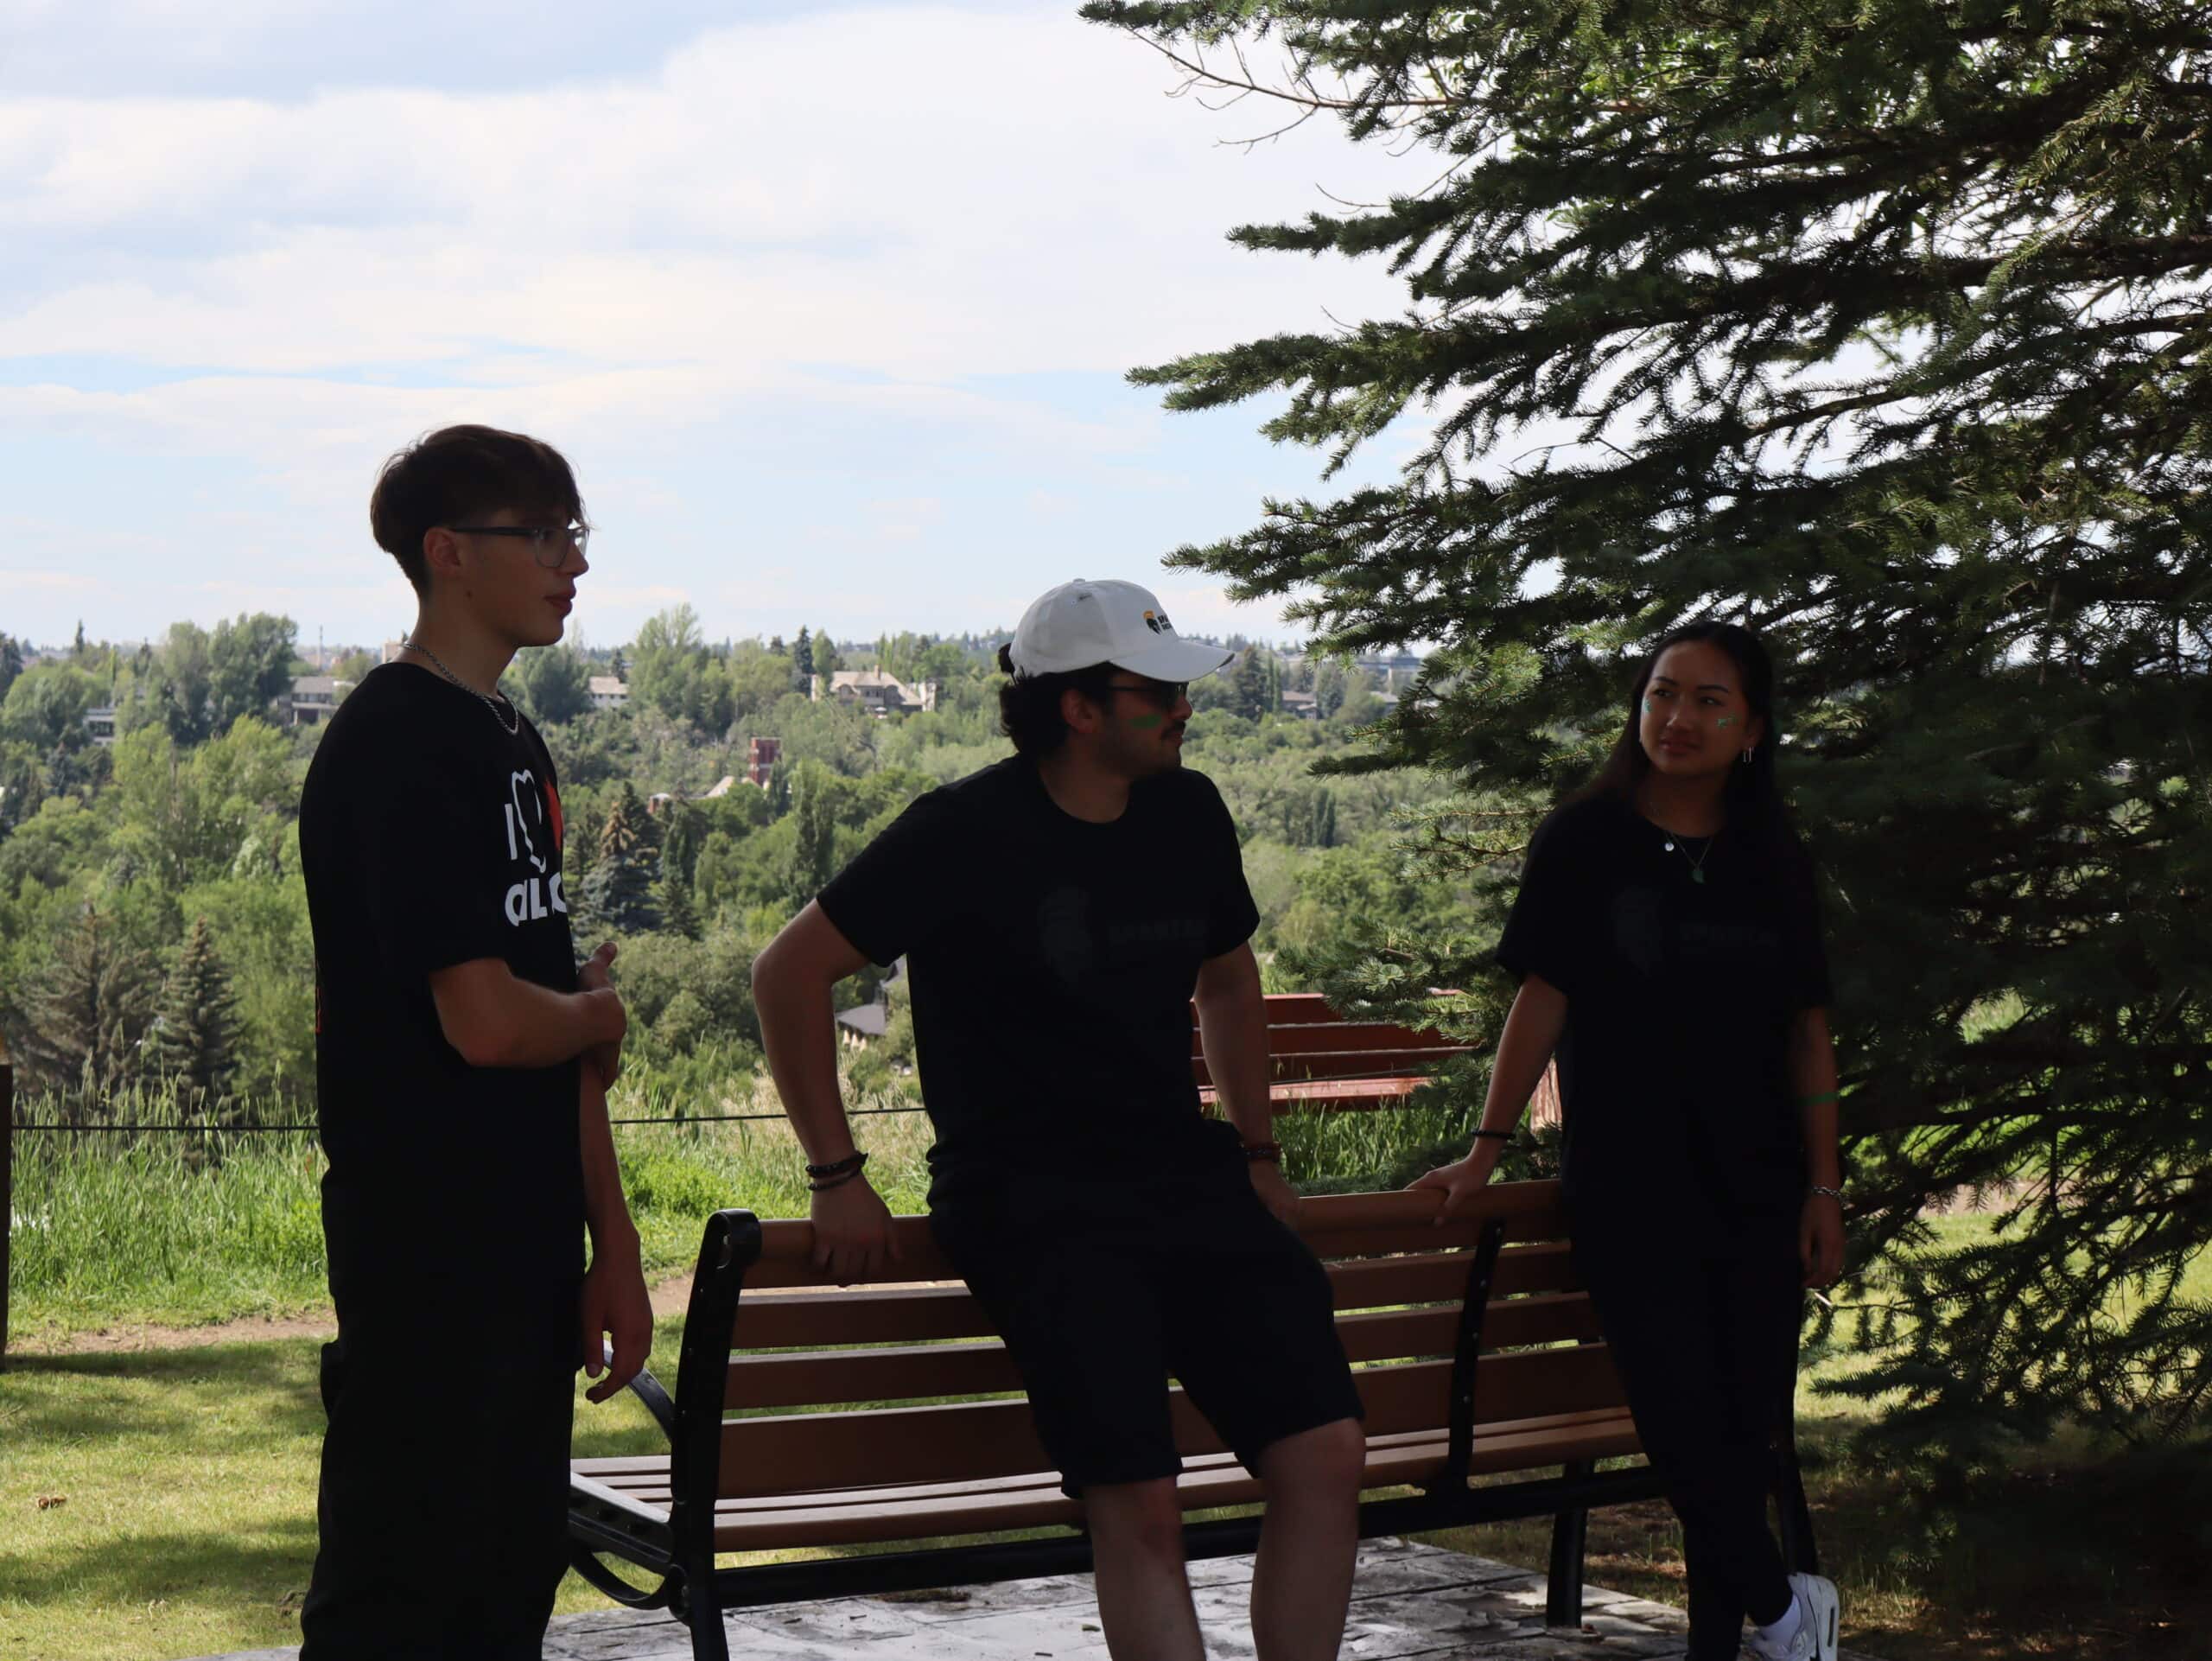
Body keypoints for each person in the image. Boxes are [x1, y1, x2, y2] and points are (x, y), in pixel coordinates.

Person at [751, 578, 1368, 1661]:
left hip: (1189, 1179)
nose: (1185, 708)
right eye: (1158, 691)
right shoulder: (960, 832)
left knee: (1323, 1454)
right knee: (1140, 1503)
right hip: (1036, 1203)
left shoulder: (1190, 810)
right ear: (1077, 708)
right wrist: (834, 1170)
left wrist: (1258, 1148)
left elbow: (1227, 980)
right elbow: (788, 973)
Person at [1413, 620, 1846, 1661]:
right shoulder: (1583, 841)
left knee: (1741, 1437)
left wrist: (1824, 1189)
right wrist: (1487, 1141)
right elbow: (1541, 998)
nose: (1676, 717)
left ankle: (1730, 1642)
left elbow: (1808, 1030)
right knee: (1678, 1419)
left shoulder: (1771, 856)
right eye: (1661, 693)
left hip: (1756, 1183)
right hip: (1627, 1183)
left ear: (1752, 728)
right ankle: (1790, 1616)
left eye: (1707, 700)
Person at [296, 425, 654, 1659]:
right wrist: (597, 1015)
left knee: (504, 1592)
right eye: (544, 535)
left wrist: (611, 1241)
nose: (573, 563)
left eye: (577, 534)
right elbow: (496, 1023)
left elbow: (547, 1015)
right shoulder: (401, 743)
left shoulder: (509, 736)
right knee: (401, 1598)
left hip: (525, 1252)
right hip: (427, 1255)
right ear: (449, 554)